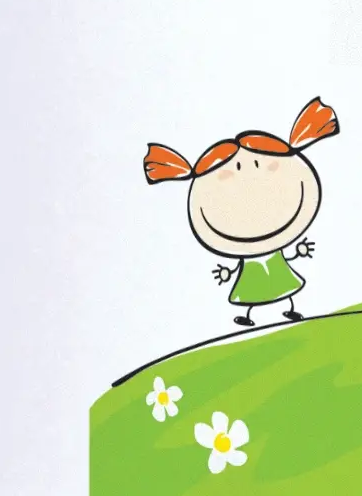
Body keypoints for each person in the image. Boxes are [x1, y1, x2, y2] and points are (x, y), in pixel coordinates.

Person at [144, 96, 337, 325]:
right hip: (252, 274)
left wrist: (298, 251)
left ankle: (290, 309)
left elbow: (286, 255)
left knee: (285, 288)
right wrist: (228, 273)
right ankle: (249, 316)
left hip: (276, 270)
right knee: (252, 294)